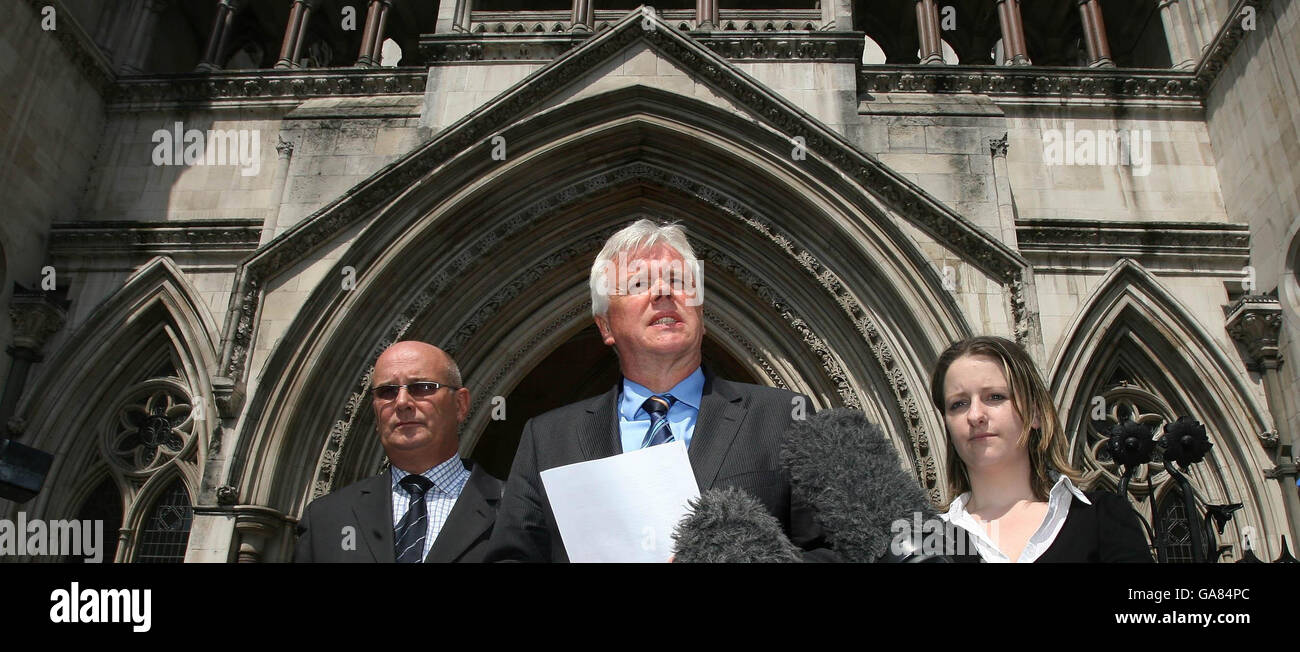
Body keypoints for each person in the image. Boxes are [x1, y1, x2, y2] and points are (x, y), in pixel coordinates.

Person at [485, 219, 831, 562]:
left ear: (701, 313)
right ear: (605, 325)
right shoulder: (547, 438)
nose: (664, 292)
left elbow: (845, 553)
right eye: (638, 283)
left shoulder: (784, 417)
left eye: (679, 281)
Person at [930, 335, 1152, 563]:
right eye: (958, 404)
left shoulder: (1102, 517)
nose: (975, 415)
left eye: (995, 397)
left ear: (1034, 413)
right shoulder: (925, 542)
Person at [294, 341, 502, 562]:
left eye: (422, 387)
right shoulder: (326, 518)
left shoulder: (517, 509)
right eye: (387, 391)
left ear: (460, 404)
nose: (402, 402)